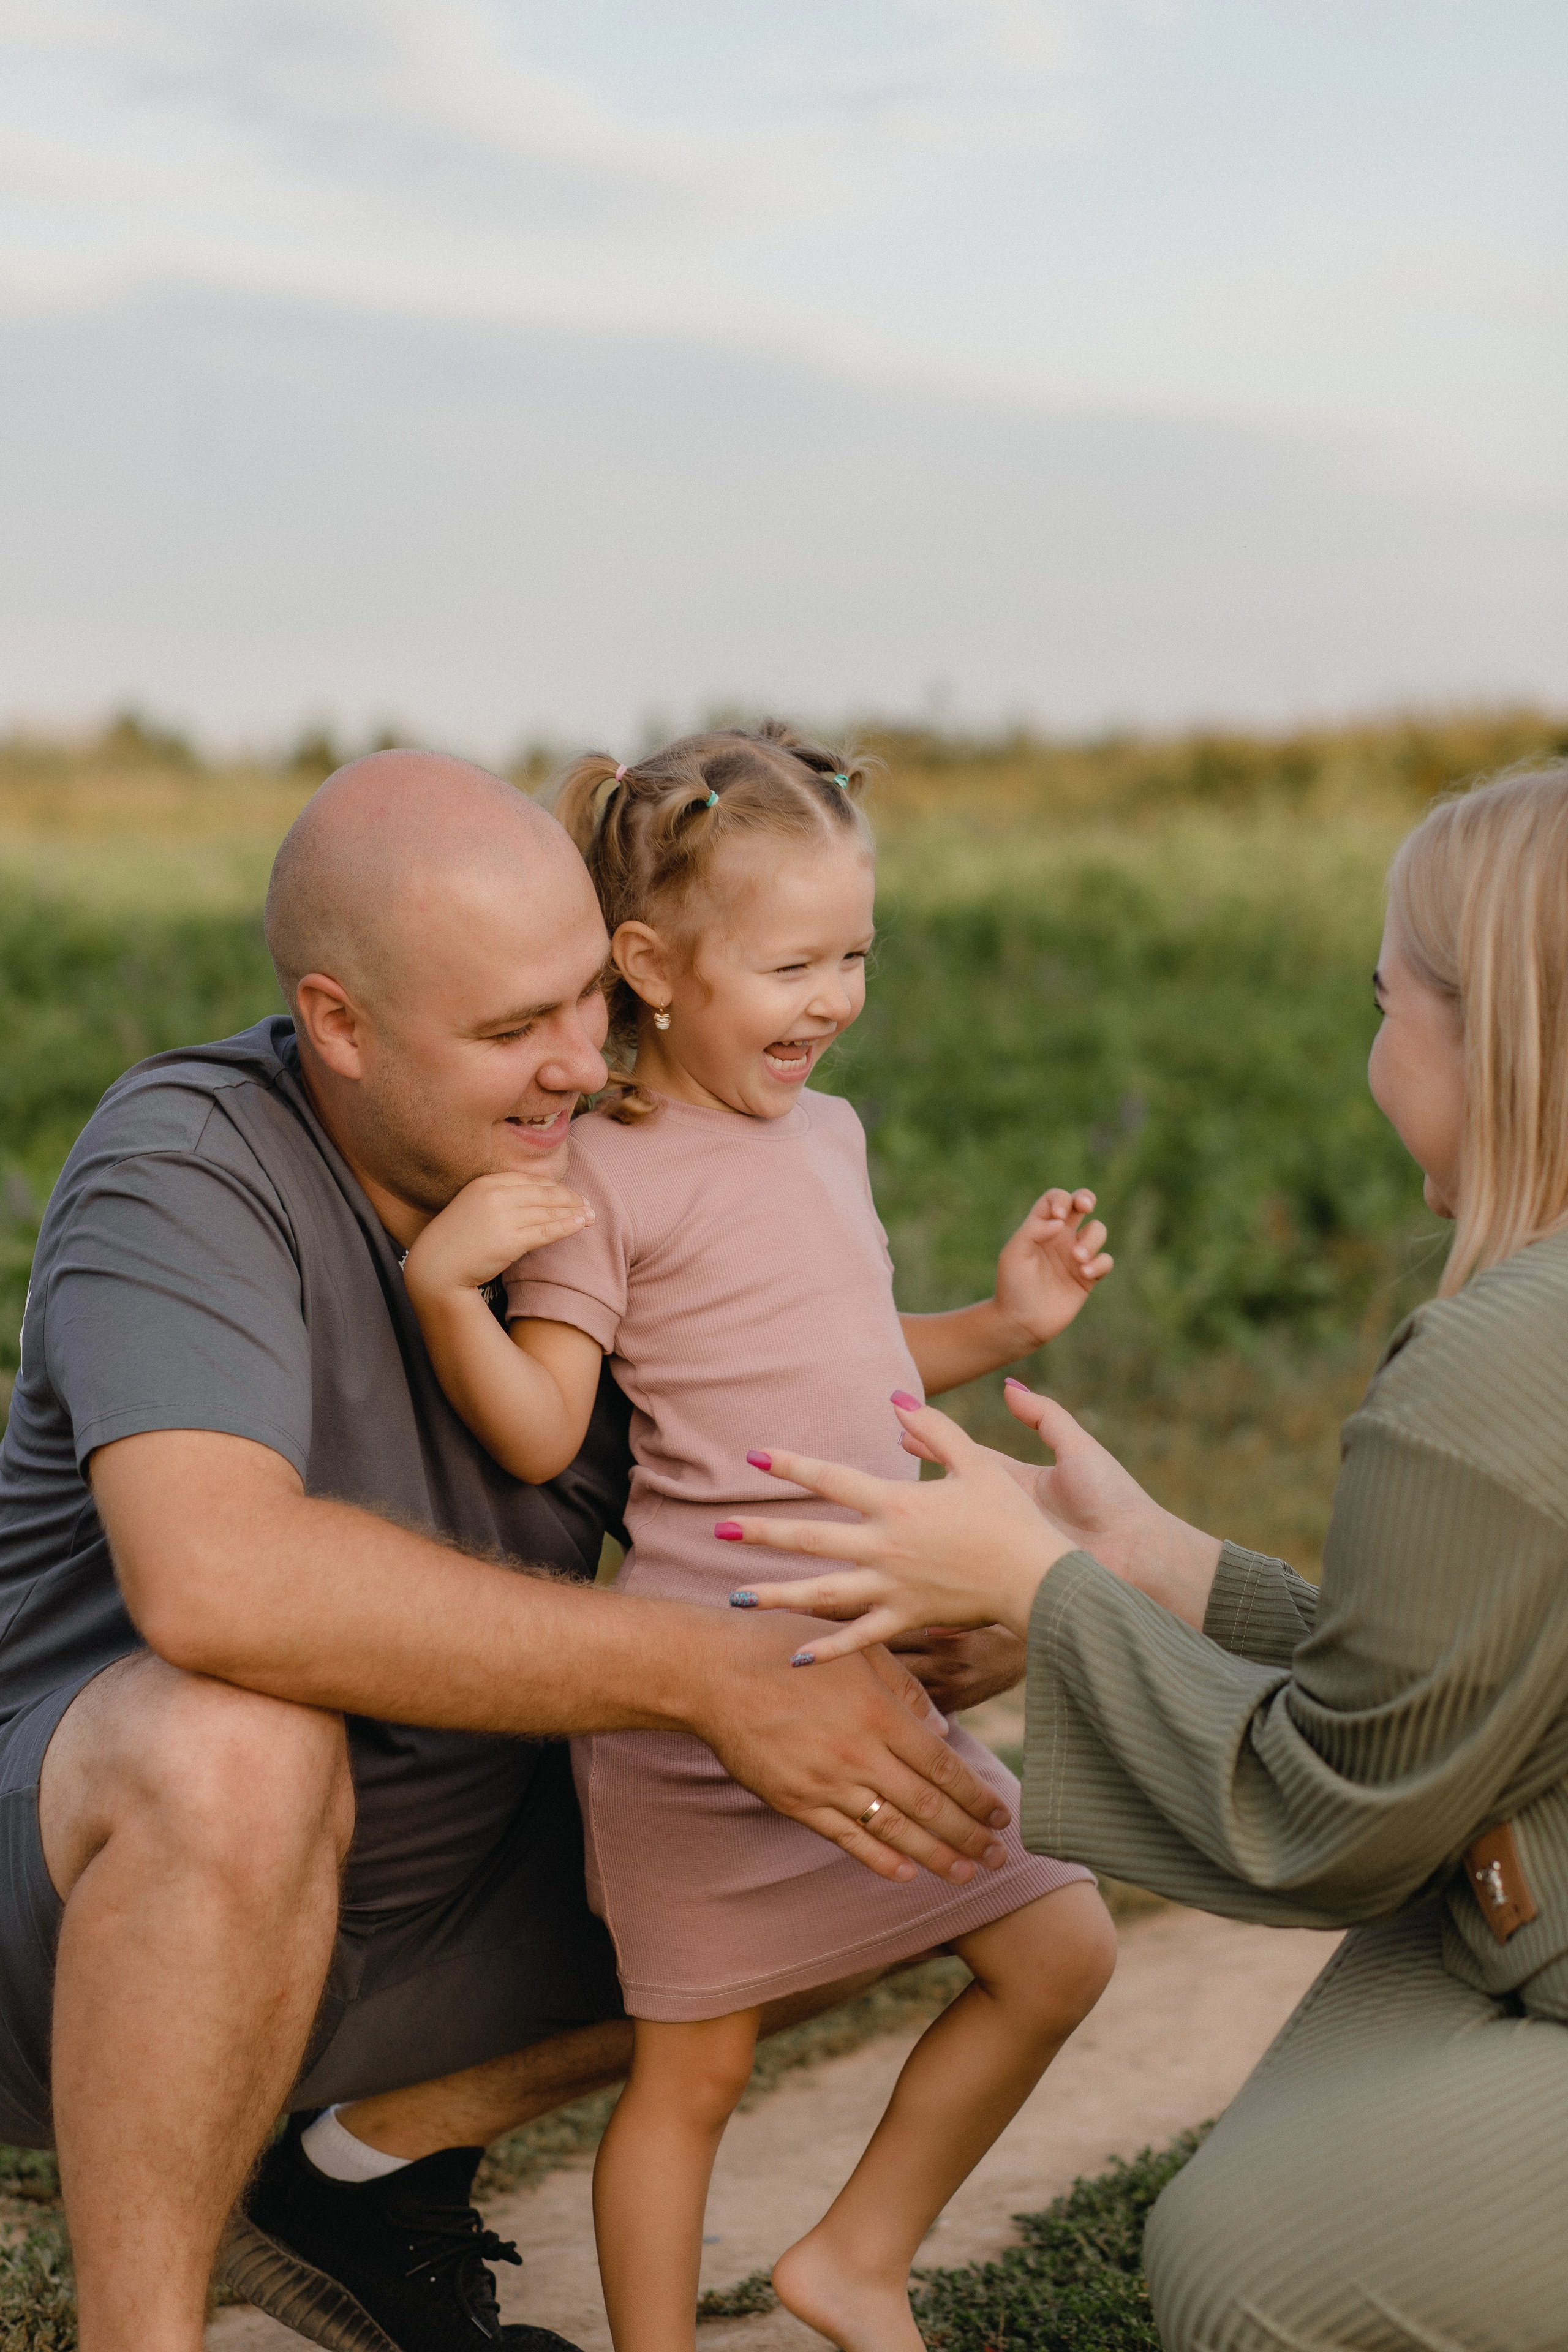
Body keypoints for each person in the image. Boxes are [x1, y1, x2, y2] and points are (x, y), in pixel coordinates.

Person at [0, 750, 1027, 2352]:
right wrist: (704, 1671)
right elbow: (215, 1585)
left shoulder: (594, 1186)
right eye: (506, 1033)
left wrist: (944, 1605)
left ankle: (363, 2170)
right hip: (88, 1910)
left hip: (433, 1888)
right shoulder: (190, 1165)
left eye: (582, 1002)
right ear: (338, 1025)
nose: (573, 1065)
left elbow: (770, 1470)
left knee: (895, 1797)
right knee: (234, 1748)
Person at [725, 763, 1568, 2348]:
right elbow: (1451, 1693)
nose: (1371, 1049)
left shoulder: (1493, 1368)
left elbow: (1338, 1823)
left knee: (1248, 2272)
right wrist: (1149, 1560)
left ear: (1492, 1033)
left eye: (1387, 1003)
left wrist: (1041, 1598)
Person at [401, 725, 1118, 2352]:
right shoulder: (608, 1177)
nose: (833, 996)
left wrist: (1003, 1324)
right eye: (792, 962)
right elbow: (534, 1424)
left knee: (1059, 1949)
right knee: (695, 2073)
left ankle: (855, 2257)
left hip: (869, 1661)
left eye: (854, 953)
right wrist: (449, 1288)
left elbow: (843, 1355)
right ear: (649, 964)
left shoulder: (831, 1137)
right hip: (705, 1696)